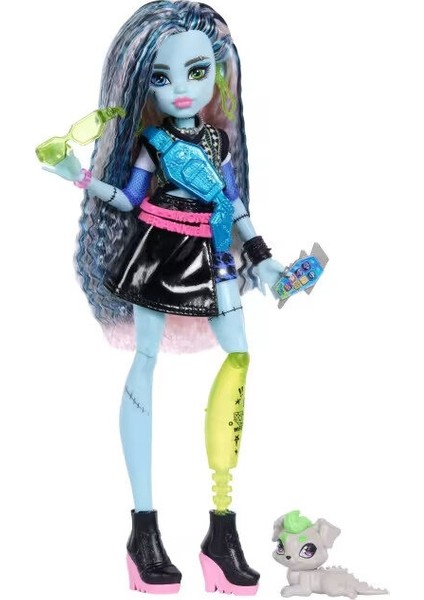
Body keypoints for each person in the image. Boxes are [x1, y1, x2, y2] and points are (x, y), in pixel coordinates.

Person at [42, 1, 284, 594]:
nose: (180, 89)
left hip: (214, 256)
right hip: (157, 252)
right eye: (162, 76)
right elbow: (128, 199)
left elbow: (235, 205)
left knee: (239, 355)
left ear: (218, 74)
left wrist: (264, 258)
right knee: (144, 363)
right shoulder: (154, 143)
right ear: (143, 82)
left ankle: (221, 529)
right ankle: (143, 530)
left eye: (196, 73)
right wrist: (79, 176)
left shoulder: (217, 142)